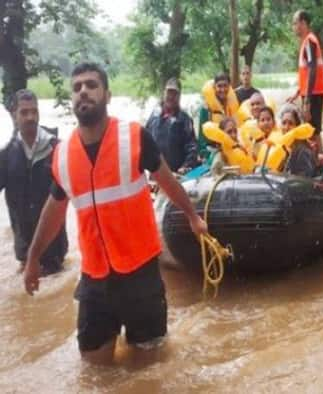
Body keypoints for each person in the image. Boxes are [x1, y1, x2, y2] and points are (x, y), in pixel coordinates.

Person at [22, 63, 209, 365]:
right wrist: (32, 260)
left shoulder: (134, 136)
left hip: (141, 274)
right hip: (94, 278)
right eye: (77, 87)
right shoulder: (63, 154)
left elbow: (166, 180)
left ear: (107, 95)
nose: (83, 91)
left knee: (149, 367)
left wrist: (192, 215)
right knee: (94, 368)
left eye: (91, 85)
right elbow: (54, 209)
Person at [0, 89, 67, 276]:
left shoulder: (57, 149)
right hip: (24, 248)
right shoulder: (5, 156)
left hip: (54, 248)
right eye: (24, 112)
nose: (30, 117)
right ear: (14, 116)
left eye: (34, 111)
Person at [288, 10, 323, 152]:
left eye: (295, 23)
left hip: (314, 93)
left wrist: (307, 100)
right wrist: (298, 93)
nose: (293, 27)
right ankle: (317, 160)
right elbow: (307, 72)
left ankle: (320, 161)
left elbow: (312, 69)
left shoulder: (309, 42)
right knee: (311, 129)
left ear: (303, 23)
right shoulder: (307, 41)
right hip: (311, 92)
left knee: (312, 130)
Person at [145, 78, 198, 174]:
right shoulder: (154, 115)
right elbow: (145, 141)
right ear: (164, 93)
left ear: (179, 96)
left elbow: (192, 147)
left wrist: (185, 166)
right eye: (169, 92)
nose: (171, 96)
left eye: (175, 94)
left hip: (176, 175)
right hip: (155, 174)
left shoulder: (184, 119)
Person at [198, 73, 240, 160]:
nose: (222, 89)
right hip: (213, 153)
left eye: (225, 86)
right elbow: (202, 142)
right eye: (219, 86)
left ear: (229, 87)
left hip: (231, 150)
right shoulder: (206, 109)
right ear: (214, 87)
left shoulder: (232, 106)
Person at [281, 106, 318, 177]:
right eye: (284, 123)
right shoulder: (289, 147)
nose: (286, 127)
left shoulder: (302, 151)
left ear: (297, 127)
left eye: (291, 123)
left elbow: (304, 180)